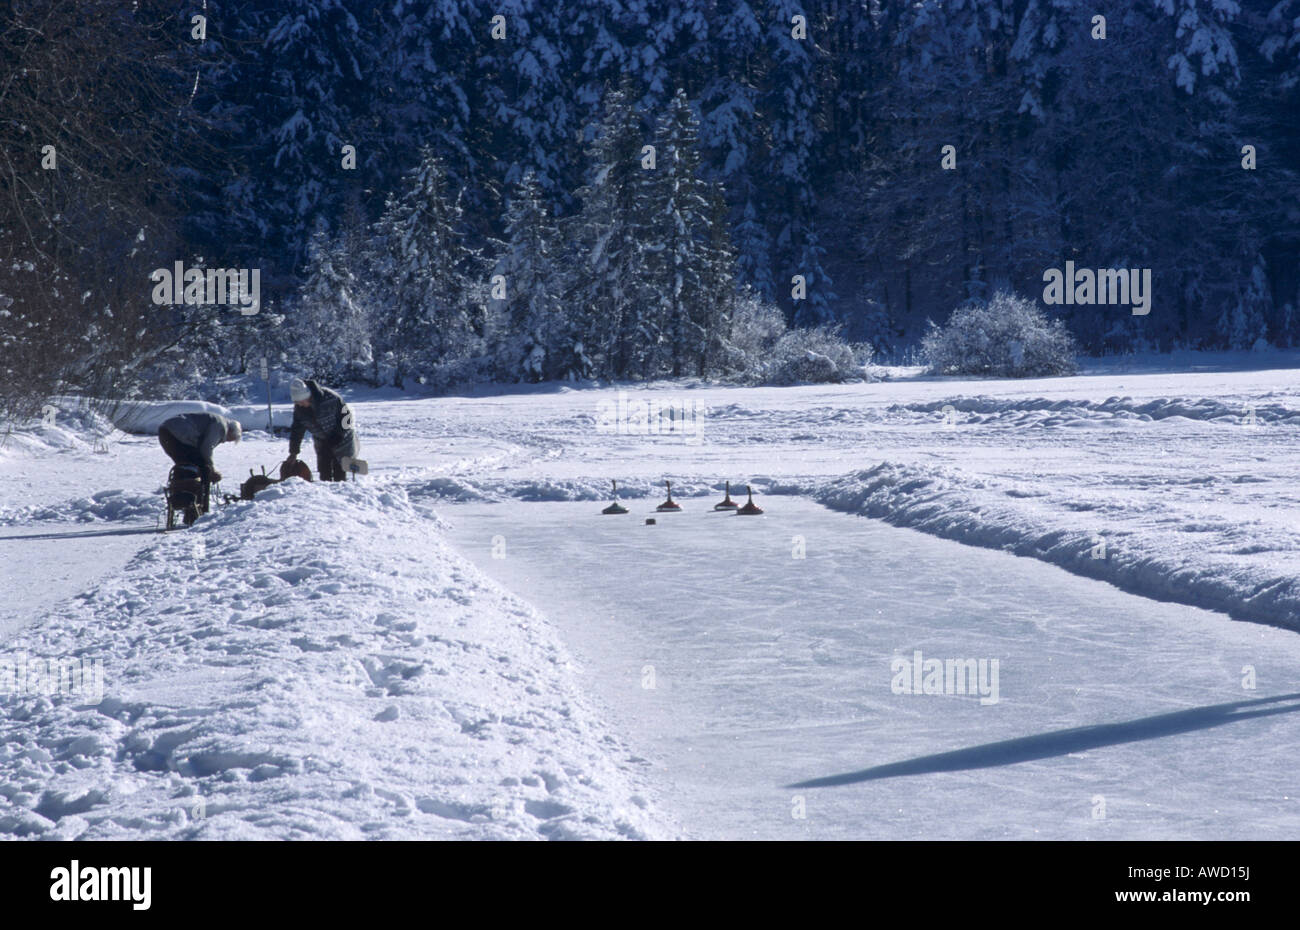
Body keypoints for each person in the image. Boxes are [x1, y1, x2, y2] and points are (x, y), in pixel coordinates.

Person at [158, 411, 241, 524]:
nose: (224, 442)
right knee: (204, 470)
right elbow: (206, 448)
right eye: (228, 439)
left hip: (166, 432)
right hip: (177, 434)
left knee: (187, 469)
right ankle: (200, 511)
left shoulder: (217, 421)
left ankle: (185, 503)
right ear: (230, 431)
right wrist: (212, 469)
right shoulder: (220, 426)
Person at [287, 378, 359, 482]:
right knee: (324, 472)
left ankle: (342, 493)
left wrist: (338, 435)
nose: (300, 405)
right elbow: (296, 431)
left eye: (302, 402)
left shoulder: (330, 398)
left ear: (309, 396)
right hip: (322, 441)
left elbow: (346, 417)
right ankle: (325, 496)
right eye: (297, 402)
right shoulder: (300, 409)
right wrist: (293, 452)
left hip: (342, 439)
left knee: (340, 472)